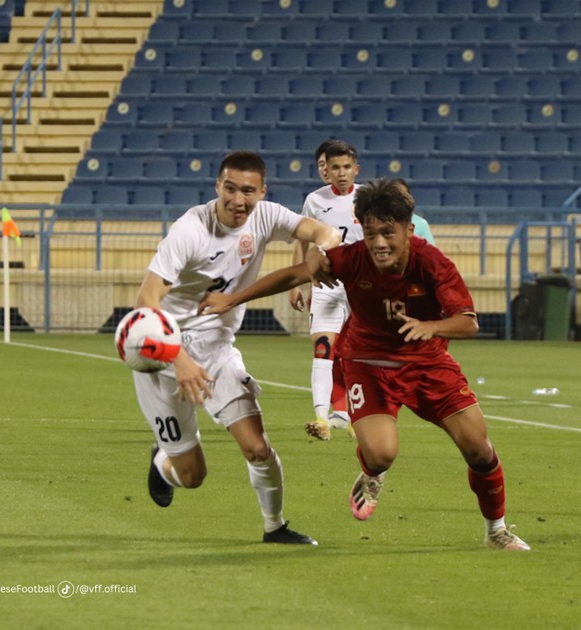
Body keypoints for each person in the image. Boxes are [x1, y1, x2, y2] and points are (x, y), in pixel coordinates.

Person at [198, 178, 530, 551]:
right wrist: (234, 299)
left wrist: (431, 326)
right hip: (368, 363)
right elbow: (295, 275)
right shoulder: (354, 259)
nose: (379, 243)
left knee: (478, 449)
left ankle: (496, 530)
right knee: (381, 453)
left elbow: (468, 322)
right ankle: (372, 474)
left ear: (408, 229)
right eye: (370, 233)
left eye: (388, 232)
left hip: (428, 363)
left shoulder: (432, 263)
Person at [132, 150, 341, 545]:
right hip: (162, 351)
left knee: (258, 448)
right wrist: (179, 359)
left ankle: (274, 527)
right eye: (230, 188)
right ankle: (163, 459)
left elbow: (320, 231)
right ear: (217, 186)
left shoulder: (266, 216)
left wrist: (322, 249)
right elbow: (145, 304)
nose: (238, 200)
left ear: (262, 192)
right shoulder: (190, 229)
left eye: (248, 191)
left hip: (218, 347)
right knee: (192, 477)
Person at [292, 141, 364, 441]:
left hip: (361, 286)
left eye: (347, 167)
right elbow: (304, 242)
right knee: (323, 349)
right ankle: (321, 417)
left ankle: (353, 415)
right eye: (335, 167)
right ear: (326, 169)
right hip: (326, 283)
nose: (341, 173)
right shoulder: (314, 201)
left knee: (360, 353)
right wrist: (299, 281)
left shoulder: (368, 198)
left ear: (355, 169)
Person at [392, 179, 435, 245]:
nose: (398, 200)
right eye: (394, 196)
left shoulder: (421, 224)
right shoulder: (379, 223)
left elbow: (431, 252)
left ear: (409, 198)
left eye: (402, 196)